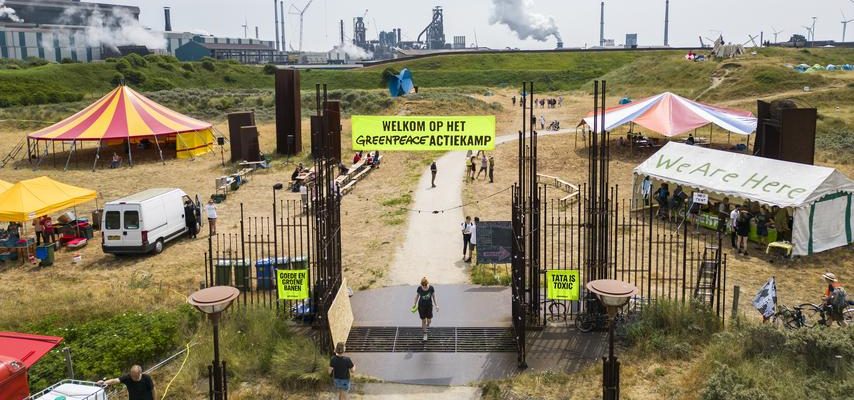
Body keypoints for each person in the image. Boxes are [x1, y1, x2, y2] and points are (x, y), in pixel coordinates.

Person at [413, 277, 438, 341]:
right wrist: (414, 304)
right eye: (423, 286)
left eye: (425, 285)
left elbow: (434, 297)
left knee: (429, 321)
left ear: (427, 283)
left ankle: (425, 327)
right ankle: (425, 334)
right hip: (421, 306)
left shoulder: (431, 288)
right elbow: (417, 296)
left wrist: (436, 305)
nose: (424, 287)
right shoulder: (419, 288)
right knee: (423, 321)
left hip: (429, 306)